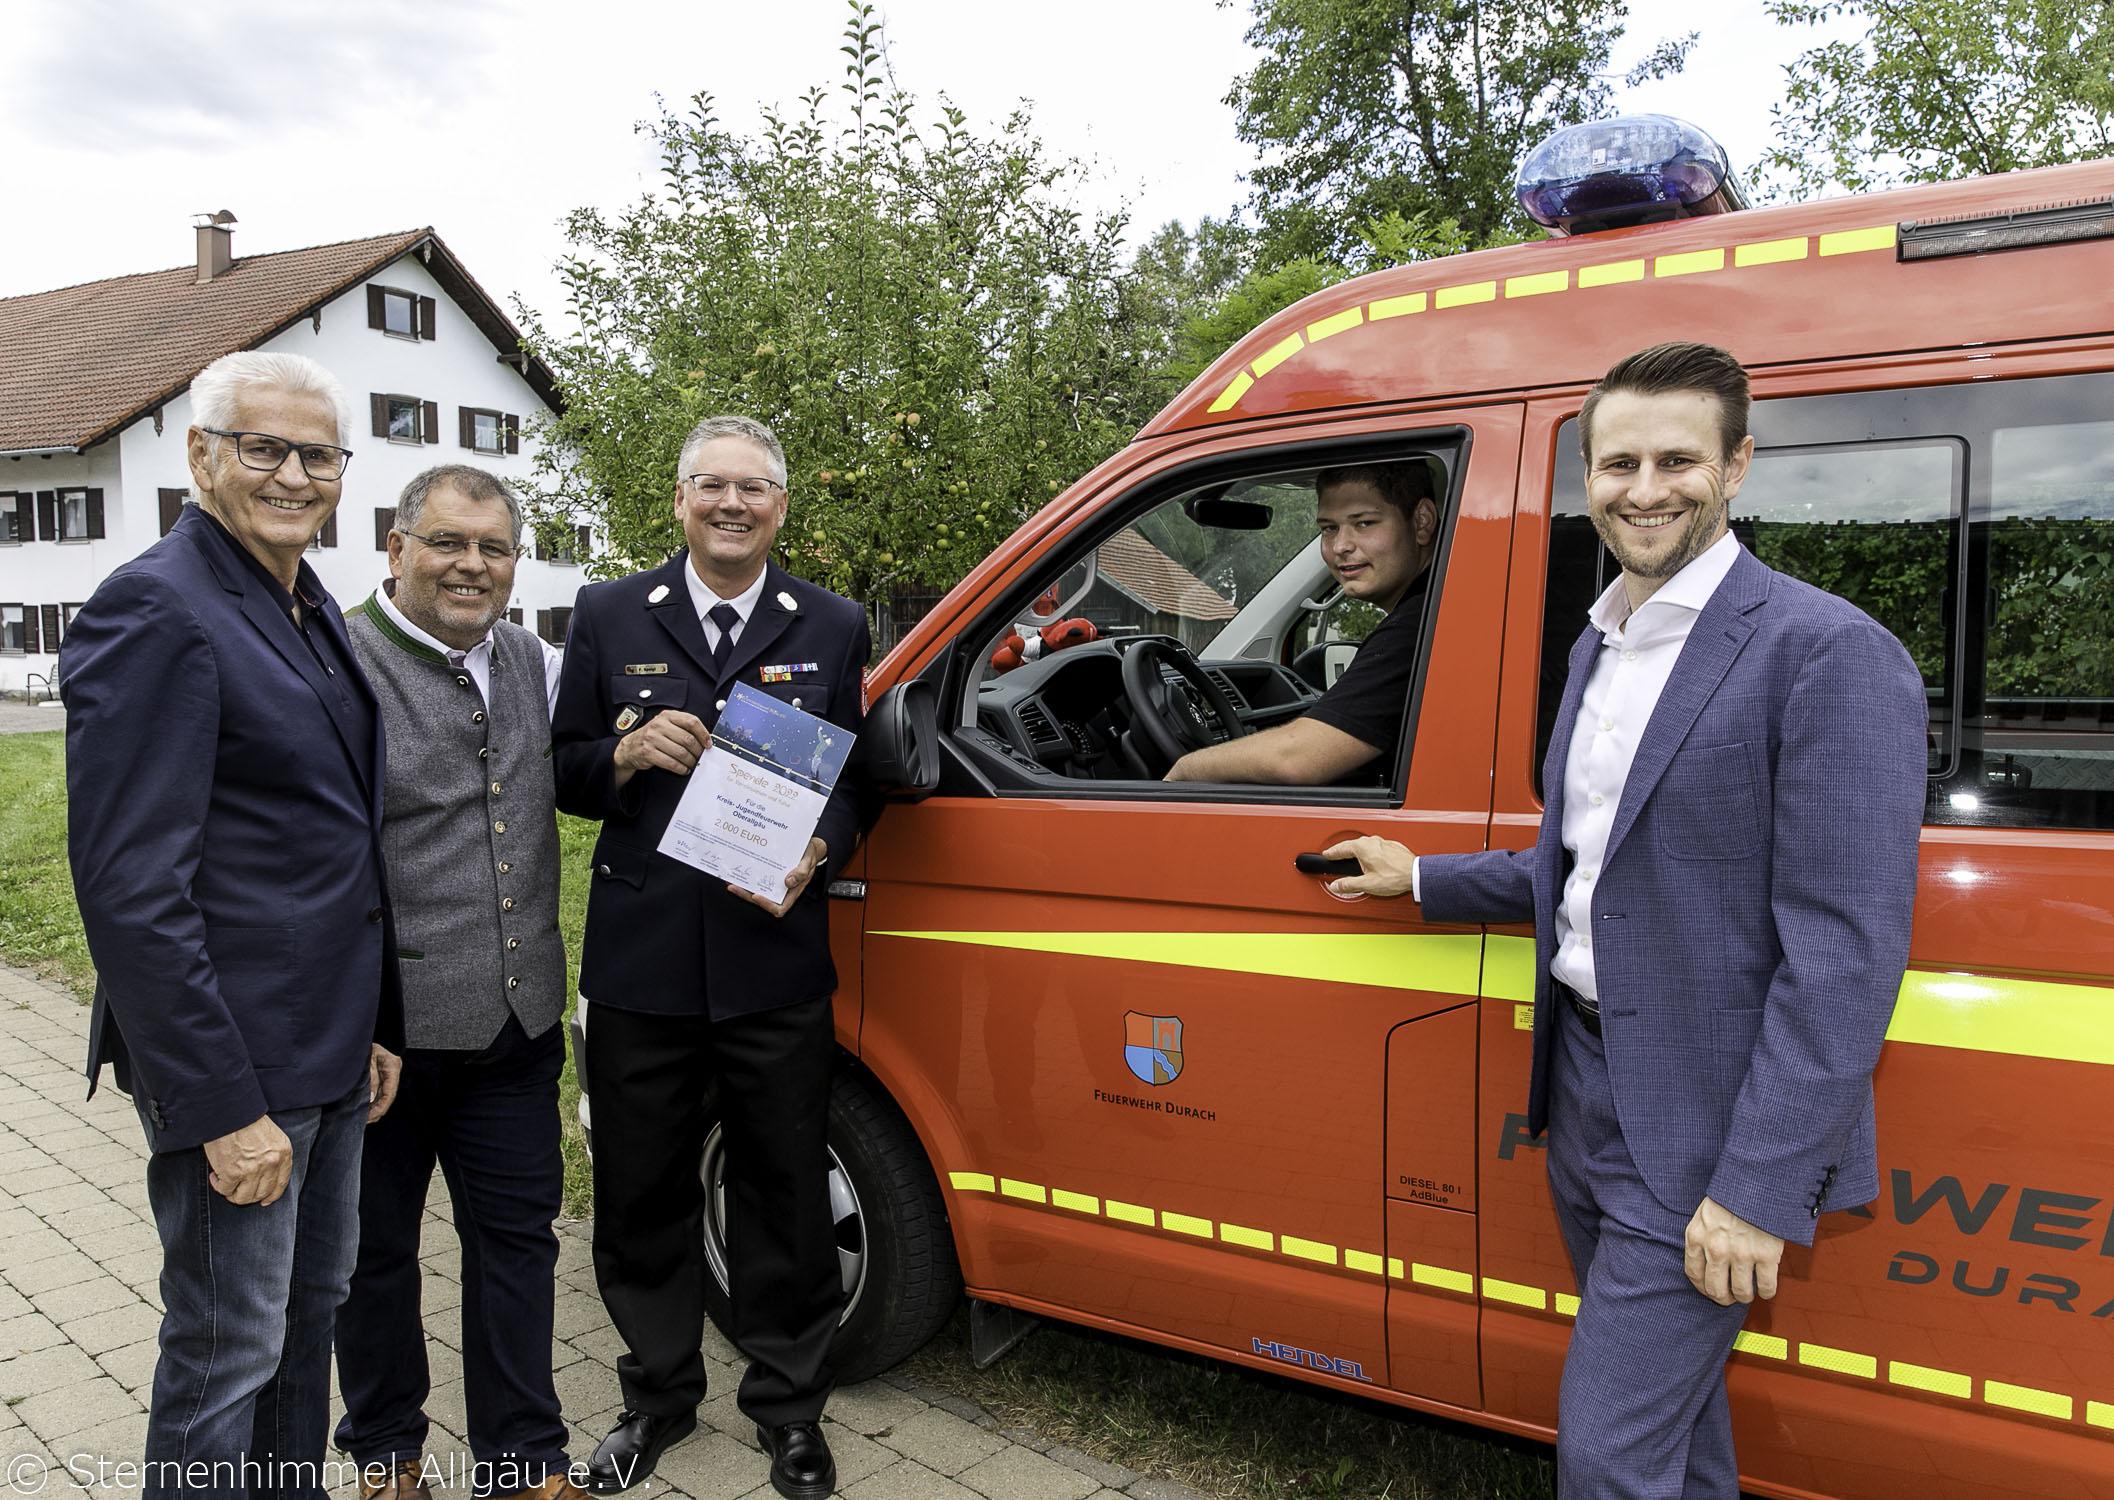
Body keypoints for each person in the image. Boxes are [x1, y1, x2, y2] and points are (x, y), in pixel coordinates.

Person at [1324, 342, 1926, 1499]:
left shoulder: (1826, 653)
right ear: (1584, 476)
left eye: (1676, 459)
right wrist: (1426, 881)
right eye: (1616, 462)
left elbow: (1842, 959)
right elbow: (1591, 868)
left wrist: (1755, 1188)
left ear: (1736, 465)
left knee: (1607, 1459)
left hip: (1705, 1123)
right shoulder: (1598, 640)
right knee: (1673, 1436)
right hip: (1589, 1089)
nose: (1643, 488)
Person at [63, 351, 403, 1500]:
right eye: (265, 447)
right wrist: (220, 1108)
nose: (294, 474)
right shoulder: (159, 605)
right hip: (236, 1070)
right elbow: (130, 890)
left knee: (306, 1329)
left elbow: (314, 844)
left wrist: (364, 1027)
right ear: (203, 456)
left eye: (318, 455)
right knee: (225, 1356)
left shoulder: (299, 602)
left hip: (322, 1053)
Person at [552, 415, 871, 1500]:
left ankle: (787, 1412)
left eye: (754, 489)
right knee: (641, 1192)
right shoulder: (605, 613)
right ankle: (655, 1399)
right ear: (678, 499)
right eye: (710, 487)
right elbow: (562, 767)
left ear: (781, 506)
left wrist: (821, 848)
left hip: (771, 958)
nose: (731, 505)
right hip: (642, 961)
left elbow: (858, 779)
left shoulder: (830, 624)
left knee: (781, 1193)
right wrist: (624, 754)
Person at [333, 466, 577, 1500]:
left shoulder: (532, 658)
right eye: (447, 542)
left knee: (517, 1246)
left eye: (492, 548)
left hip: (518, 1022)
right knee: (375, 1255)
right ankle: (388, 1453)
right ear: (396, 548)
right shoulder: (335, 660)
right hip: (385, 1031)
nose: (470, 565)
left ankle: (522, 1463)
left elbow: (626, 734)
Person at [1165, 460, 1439, 783]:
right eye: (1328, 528)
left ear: (1422, 522)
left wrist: (1183, 772)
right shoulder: (1429, 608)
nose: (1340, 546)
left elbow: (1297, 757)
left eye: (1364, 523)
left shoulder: (1420, 628)